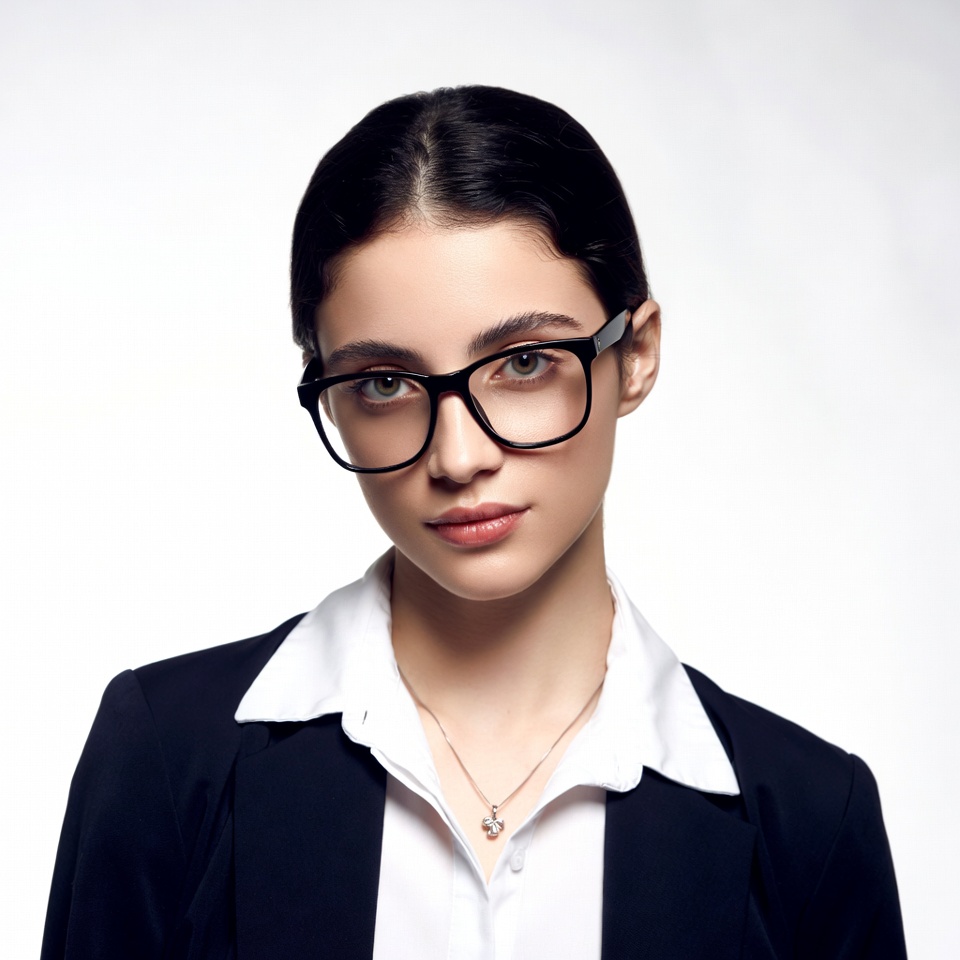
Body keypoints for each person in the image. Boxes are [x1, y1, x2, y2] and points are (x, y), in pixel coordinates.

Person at [41, 86, 906, 959]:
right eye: (383, 382)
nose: (457, 457)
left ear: (634, 357)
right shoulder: (165, 756)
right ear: (329, 394)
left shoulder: (809, 820)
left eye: (523, 363)